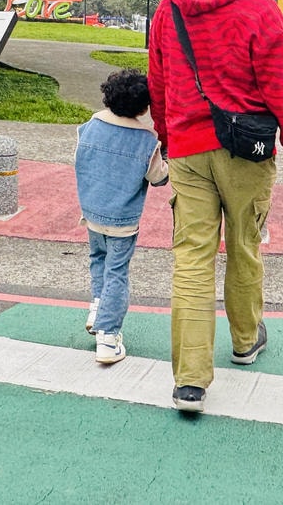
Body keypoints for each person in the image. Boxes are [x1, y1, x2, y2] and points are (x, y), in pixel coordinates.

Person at [147, 0, 283, 413]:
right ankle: (245, 340)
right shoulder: (260, 9)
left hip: (187, 148)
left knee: (191, 257)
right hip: (248, 152)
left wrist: (168, 137)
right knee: (244, 245)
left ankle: (190, 381)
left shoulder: (170, 6)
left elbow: (158, 82)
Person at [74, 68, 168, 365]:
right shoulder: (146, 139)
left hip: (92, 211)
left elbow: (79, 159)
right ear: (144, 107)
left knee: (98, 260)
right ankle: (108, 337)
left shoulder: (90, 125)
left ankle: (97, 307)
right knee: (117, 272)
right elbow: (158, 178)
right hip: (123, 221)